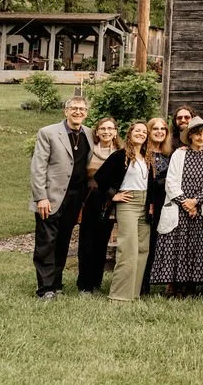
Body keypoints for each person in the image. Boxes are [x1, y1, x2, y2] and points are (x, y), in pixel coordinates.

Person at [29, 96, 93, 301]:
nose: (78, 112)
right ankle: (45, 288)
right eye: (73, 108)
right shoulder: (48, 133)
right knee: (46, 242)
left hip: (75, 198)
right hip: (51, 197)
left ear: (86, 113)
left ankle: (56, 283)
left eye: (82, 109)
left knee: (63, 241)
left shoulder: (89, 134)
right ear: (65, 111)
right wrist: (41, 197)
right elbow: (38, 167)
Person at [150, 116, 203, 297]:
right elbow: (171, 181)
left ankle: (191, 286)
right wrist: (186, 203)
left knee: (196, 246)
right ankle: (175, 286)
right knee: (177, 246)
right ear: (190, 136)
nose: (201, 138)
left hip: (200, 207)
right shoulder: (178, 154)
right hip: (178, 208)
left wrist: (196, 202)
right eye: (198, 135)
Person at [94, 122, 154, 302]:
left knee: (142, 250)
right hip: (128, 204)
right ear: (130, 134)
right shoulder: (120, 156)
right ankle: (119, 296)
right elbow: (100, 177)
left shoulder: (147, 156)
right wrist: (113, 195)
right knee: (127, 249)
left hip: (145, 205)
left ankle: (133, 293)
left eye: (144, 132)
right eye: (138, 131)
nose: (141, 134)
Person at [76, 116, 121, 294]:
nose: (106, 132)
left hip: (109, 201)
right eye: (103, 128)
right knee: (86, 243)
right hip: (89, 200)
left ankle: (96, 282)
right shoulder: (89, 151)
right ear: (97, 131)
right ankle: (84, 284)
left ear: (115, 132)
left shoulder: (120, 152)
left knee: (101, 243)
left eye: (110, 128)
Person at [141, 116, 172, 295]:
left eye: (163, 129)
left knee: (158, 244)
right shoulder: (142, 153)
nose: (159, 132)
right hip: (146, 202)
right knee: (146, 244)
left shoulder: (170, 155)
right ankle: (142, 284)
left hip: (164, 205)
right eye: (155, 129)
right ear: (149, 132)